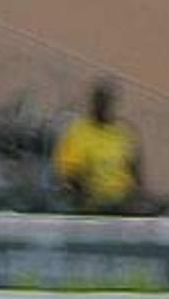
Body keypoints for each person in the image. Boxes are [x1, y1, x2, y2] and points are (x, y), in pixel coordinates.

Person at [53, 79, 139, 213]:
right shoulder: (78, 132)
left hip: (122, 206)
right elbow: (70, 174)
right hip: (92, 207)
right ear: (93, 103)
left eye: (109, 102)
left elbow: (134, 169)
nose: (104, 106)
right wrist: (88, 198)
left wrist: (133, 198)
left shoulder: (122, 132)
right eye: (101, 101)